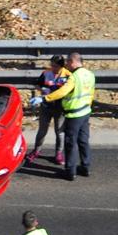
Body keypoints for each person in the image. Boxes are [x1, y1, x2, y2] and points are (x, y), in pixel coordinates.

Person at [33, 51, 95, 181]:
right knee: (83, 141)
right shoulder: (90, 74)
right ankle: (85, 167)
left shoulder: (74, 77)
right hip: (85, 112)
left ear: (72, 62)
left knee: (70, 143)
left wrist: (45, 98)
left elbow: (63, 91)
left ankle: (70, 171)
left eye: (67, 62)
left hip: (74, 114)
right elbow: (91, 92)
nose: (66, 65)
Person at [26, 54, 70, 165]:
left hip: (60, 108)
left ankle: (59, 154)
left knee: (59, 132)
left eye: (55, 66)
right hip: (46, 106)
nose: (53, 68)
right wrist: (42, 89)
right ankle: (36, 151)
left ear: (61, 66)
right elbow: (37, 84)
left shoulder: (68, 75)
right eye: (51, 65)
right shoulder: (46, 73)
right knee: (42, 130)